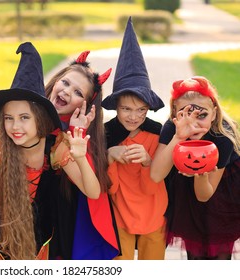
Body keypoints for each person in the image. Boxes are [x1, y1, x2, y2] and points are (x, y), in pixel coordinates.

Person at [0, 42, 101, 260]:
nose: (15, 126)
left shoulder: (57, 147)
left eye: (24, 118)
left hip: (38, 248)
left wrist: (80, 158)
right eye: (8, 119)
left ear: (41, 119)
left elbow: (93, 192)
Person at [150, 75, 240, 260]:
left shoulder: (223, 137)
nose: (193, 123)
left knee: (219, 249)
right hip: (186, 190)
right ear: (175, 113)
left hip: (220, 190)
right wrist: (178, 137)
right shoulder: (172, 128)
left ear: (214, 113)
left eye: (202, 115)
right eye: (185, 114)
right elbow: (156, 175)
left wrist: (201, 175)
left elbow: (204, 195)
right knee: (195, 251)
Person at [101, 17, 168, 260]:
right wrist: (109, 156)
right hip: (119, 215)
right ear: (116, 106)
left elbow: (156, 182)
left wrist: (150, 161)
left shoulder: (157, 134)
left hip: (153, 213)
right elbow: (107, 188)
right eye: (127, 109)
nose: (134, 116)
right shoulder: (106, 135)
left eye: (141, 110)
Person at [45, 50, 120, 259]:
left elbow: (92, 190)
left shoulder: (76, 137)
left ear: (85, 105)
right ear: (55, 81)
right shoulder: (25, 114)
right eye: (66, 83)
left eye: (78, 93)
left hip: (60, 217)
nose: (67, 92)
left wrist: (76, 135)